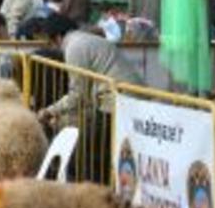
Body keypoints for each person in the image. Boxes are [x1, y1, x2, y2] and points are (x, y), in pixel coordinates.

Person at [38, 14, 142, 182]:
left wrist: (49, 111)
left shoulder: (73, 48)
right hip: (126, 96)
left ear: (57, 37)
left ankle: (92, 191)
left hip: (116, 102)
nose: (51, 47)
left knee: (87, 151)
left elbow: (78, 95)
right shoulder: (84, 40)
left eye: (49, 43)